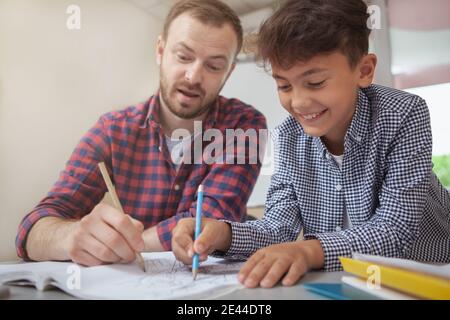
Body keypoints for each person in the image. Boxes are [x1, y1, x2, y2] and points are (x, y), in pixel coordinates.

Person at [172, 0, 450, 288]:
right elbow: (278, 228)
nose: (299, 102)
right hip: (350, 282)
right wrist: (222, 234)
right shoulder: (289, 138)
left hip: (429, 273)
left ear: (364, 71)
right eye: (284, 85)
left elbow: (395, 232)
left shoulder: (403, 114)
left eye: (315, 82)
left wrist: (309, 250)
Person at [16, 0, 267, 266]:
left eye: (214, 66)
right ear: (160, 51)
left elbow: (211, 217)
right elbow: (33, 228)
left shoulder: (245, 125)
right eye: (183, 56)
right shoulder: (113, 130)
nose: (193, 76)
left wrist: (126, 246)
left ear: (228, 72)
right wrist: (69, 237)